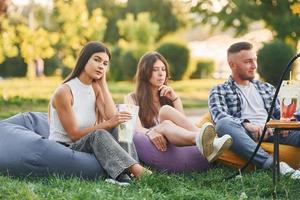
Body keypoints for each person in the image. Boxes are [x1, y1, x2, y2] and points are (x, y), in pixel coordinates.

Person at [48, 41, 150, 185]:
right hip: (65, 148)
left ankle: (125, 175)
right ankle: (138, 171)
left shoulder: (95, 88)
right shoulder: (64, 92)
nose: (101, 66)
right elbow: (74, 134)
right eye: (97, 60)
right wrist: (107, 124)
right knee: (99, 133)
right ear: (84, 60)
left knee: (122, 126)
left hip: (85, 145)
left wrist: (103, 84)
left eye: (105, 63)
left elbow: (112, 117)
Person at [124, 51, 232, 167]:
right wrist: (152, 132)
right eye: (155, 70)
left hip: (175, 139)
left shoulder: (167, 95)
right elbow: (136, 129)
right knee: (165, 123)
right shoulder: (131, 98)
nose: (161, 74)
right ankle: (206, 140)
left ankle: (205, 140)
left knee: (166, 111)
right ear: (145, 72)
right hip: (154, 141)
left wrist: (175, 99)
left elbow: (182, 124)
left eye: (163, 69)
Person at [209, 41, 300, 171]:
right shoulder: (220, 90)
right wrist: (246, 124)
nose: (254, 66)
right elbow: (218, 115)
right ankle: (274, 166)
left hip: (275, 130)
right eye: (248, 62)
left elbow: (279, 112)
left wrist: (286, 122)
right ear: (232, 65)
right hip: (246, 133)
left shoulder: (266, 87)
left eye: (255, 60)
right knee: (223, 124)